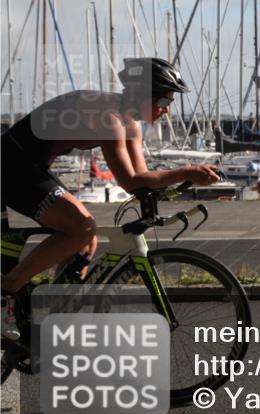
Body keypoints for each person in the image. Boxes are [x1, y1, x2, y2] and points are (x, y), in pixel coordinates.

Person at [1, 58, 221, 340]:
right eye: (165, 98)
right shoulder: (109, 116)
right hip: (10, 166)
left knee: (86, 239)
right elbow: (129, 180)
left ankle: (51, 317)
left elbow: (141, 177)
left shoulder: (129, 123)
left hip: (31, 165)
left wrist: (182, 182)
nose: (167, 109)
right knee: (82, 228)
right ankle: (8, 291)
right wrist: (186, 171)